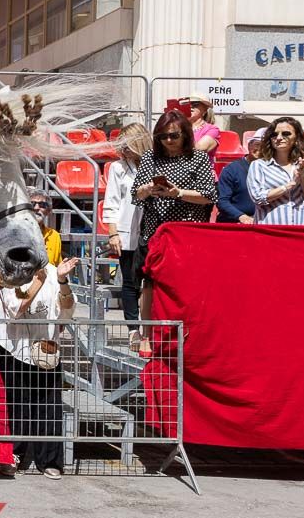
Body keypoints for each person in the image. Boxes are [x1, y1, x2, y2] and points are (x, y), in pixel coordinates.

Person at [131, 109, 217, 357]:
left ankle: (188, 334)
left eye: (173, 136)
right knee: (150, 284)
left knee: (185, 287)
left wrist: (178, 192)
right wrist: (147, 190)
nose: (168, 141)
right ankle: (146, 335)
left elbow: (209, 196)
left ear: (185, 135)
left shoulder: (198, 158)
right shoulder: (149, 158)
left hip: (187, 234)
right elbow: (135, 194)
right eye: (162, 137)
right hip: (154, 230)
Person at [0, 257, 79, 480]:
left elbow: (67, 311)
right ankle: (13, 455)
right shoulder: (9, 273)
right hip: (14, 348)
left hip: (45, 349)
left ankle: (50, 461)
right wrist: (37, 282)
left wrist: (61, 281)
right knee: (16, 405)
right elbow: (16, 309)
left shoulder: (52, 271)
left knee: (49, 408)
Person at [102, 123, 152, 350]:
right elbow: (111, 202)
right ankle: (133, 329)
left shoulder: (156, 164)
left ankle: (150, 330)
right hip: (126, 230)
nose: (125, 150)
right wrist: (112, 232)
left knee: (151, 281)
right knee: (130, 281)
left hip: (152, 230)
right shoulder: (118, 168)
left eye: (128, 145)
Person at [247, 116, 304, 226]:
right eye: (274, 134)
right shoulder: (258, 165)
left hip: (302, 230)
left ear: (297, 138)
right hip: (269, 231)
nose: (279, 138)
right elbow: (258, 197)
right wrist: (288, 186)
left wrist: (303, 178)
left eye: (286, 134)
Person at [216, 128, 264, 225]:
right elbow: (222, 201)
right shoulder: (232, 169)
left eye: (266, 147)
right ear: (249, 145)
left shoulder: (273, 170)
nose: (261, 149)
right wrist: (241, 216)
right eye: (257, 145)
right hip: (235, 222)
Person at [27, 190, 62, 266]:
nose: (36, 208)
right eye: (32, 204)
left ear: (48, 211)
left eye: (42, 205)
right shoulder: (16, 234)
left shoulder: (54, 236)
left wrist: (61, 275)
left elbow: (56, 268)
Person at [183, 93, 220, 163]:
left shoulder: (212, 130)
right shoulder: (178, 126)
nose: (190, 106)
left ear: (205, 110)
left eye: (195, 104)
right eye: (187, 104)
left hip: (201, 172)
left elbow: (199, 149)